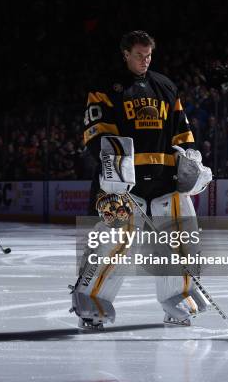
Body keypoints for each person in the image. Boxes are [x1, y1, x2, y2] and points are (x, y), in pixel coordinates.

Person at [70, 30, 212, 329]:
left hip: (165, 181)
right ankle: (91, 302)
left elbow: (182, 134)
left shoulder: (166, 86)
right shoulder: (106, 86)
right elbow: (97, 132)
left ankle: (178, 301)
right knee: (115, 244)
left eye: (148, 55)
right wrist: (113, 166)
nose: (144, 61)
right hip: (121, 183)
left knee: (182, 242)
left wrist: (190, 161)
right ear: (125, 54)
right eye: (139, 55)